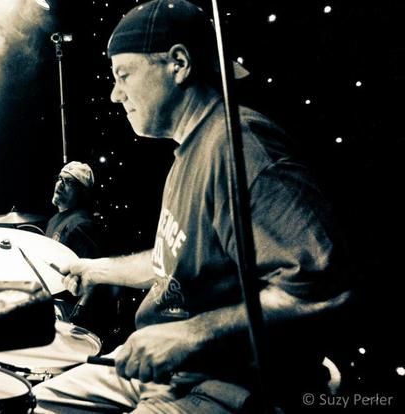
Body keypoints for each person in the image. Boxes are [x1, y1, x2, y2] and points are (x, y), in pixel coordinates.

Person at [33, 1, 354, 413]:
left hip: (225, 385)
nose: (115, 94)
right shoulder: (190, 151)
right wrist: (96, 270)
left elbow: (324, 290)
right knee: (33, 401)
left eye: (124, 75)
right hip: (168, 373)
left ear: (179, 64)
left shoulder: (243, 149)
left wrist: (190, 333)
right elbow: (174, 262)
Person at [45, 161, 120, 347]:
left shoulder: (81, 225)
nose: (60, 185)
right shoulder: (55, 220)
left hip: (69, 318)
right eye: (60, 178)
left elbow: (95, 278)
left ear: (83, 192)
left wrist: (78, 314)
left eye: (69, 182)